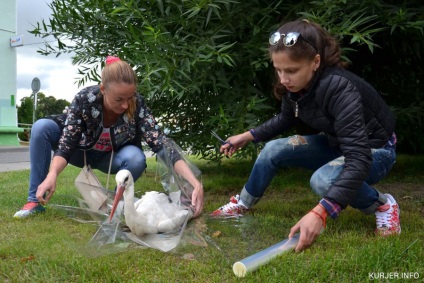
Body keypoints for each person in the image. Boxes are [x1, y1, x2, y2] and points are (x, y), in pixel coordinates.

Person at [211, 20, 400, 252]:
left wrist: (320, 212)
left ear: (315, 62)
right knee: (273, 149)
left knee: (323, 180)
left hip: (375, 149)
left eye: (291, 71)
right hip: (335, 143)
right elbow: (285, 119)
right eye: (278, 69)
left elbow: (359, 157)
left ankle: (383, 205)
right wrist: (247, 135)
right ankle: (242, 204)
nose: (283, 79)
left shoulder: (339, 87)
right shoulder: (295, 89)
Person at [14, 56, 204, 219]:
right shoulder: (85, 99)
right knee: (41, 127)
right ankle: (34, 201)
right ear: (103, 89)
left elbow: (160, 143)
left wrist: (194, 183)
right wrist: (52, 174)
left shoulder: (136, 105)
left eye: (129, 97)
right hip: (80, 152)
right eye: (119, 99)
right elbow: (67, 142)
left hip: (112, 158)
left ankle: (117, 205)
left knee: (136, 158)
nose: (125, 105)